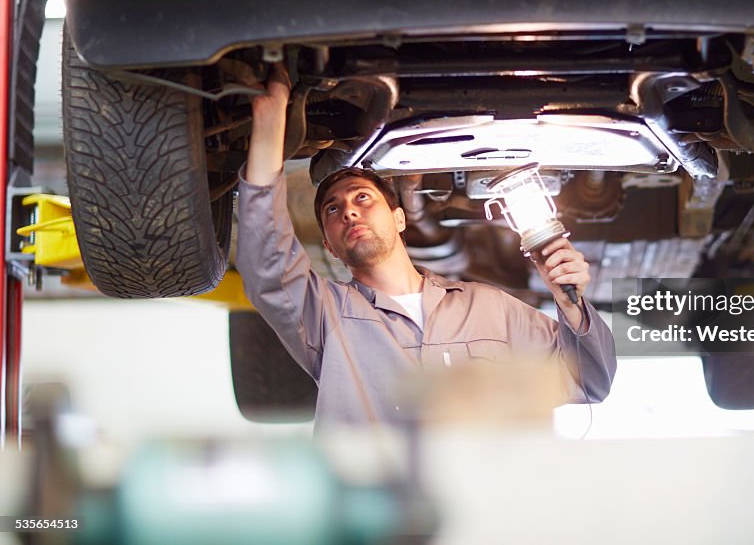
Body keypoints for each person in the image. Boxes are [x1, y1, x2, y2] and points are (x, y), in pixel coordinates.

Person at [236, 64, 617, 428]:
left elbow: (588, 382)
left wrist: (572, 307)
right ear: (329, 247)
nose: (349, 212)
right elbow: (268, 265)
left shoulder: (491, 308)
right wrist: (268, 134)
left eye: (363, 198)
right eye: (334, 209)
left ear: (399, 218)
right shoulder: (325, 317)